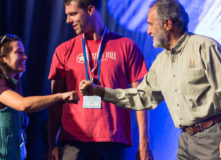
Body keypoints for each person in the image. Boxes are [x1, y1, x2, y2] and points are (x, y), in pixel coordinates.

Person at [79, 0, 221, 160]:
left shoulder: (204, 47)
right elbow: (143, 97)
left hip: (214, 136)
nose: (148, 31)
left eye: (151, 24)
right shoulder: (161, 62)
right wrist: (101, 92)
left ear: (167, 24)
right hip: (186, 141)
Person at [48, 0, 153, 159]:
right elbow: (55, 103)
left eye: (73, 14)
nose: (68, 20)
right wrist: (51, 144)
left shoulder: (127, 47)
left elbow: (140, 98)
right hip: (72, 142)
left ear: (90, 10)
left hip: (112, 141)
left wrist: (144, 143)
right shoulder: (63, 51)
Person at [0, 34, 79, 160]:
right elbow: (23, 105)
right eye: (19, 53)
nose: (25, 57)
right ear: (3, 58)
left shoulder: (3, 86)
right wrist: (60, 96)